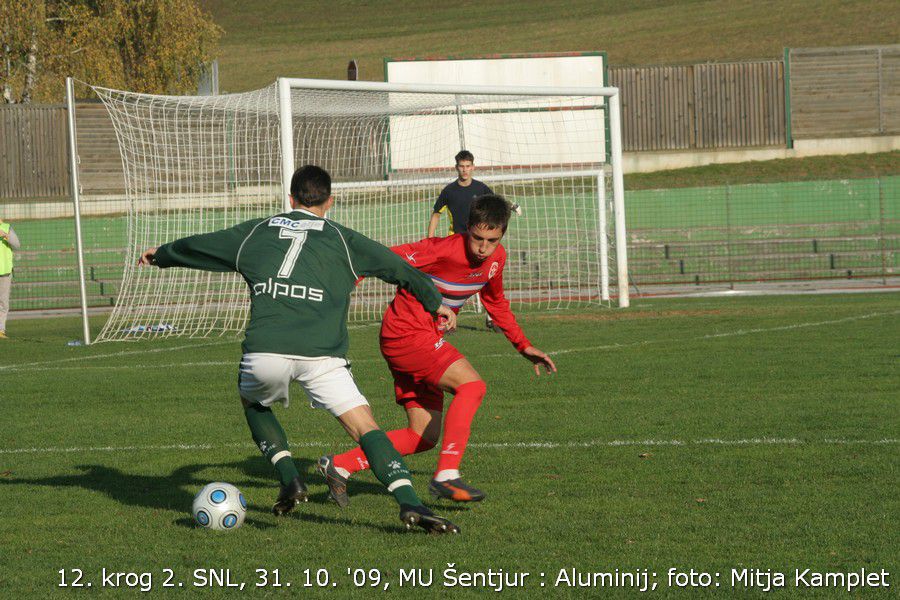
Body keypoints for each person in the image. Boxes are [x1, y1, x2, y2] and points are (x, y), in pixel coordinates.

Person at [139, 165, 459, 534]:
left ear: (290, 199)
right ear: (330, 201)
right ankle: (410, 502)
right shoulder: (344, 239)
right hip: (324, 356)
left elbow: (202, 245)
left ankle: (290, 477)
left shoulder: (256, 232)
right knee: (364, 427)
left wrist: (162, 254)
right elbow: (398, 268)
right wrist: (435, 302)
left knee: (253, 402)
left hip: (266, 353)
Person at [320, 194, 556, 506]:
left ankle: (340, 465)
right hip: (406, 334)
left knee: (422, 436)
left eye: (492, 240)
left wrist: (523, 345)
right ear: (466, 228)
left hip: (419, 337)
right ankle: (447, 475)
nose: (483, 247)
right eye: (477, 238)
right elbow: (387, 257)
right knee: (471, 386)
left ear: (502, 235)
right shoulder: (441, 249)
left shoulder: (497, 259)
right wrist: (350, 279)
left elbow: (495, 302)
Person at [427, 150, 499, 332]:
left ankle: (491, 318)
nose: (465, 170)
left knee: (487, 278)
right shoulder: (449, 191)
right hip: (456, 243)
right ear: (456, 167)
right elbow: (436, 215)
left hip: (479, 243)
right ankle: (447, 320)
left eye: (468, 166)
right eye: (461, 166)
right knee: (450, 283)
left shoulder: (481, 189)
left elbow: (495, 207)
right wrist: (429, 239)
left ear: (473, 167)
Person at [0, 218, 21, 339]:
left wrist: (5, 235)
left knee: (3, 302)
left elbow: (17, 244)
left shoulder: (6, 227)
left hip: (4, 271)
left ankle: (1, 330)